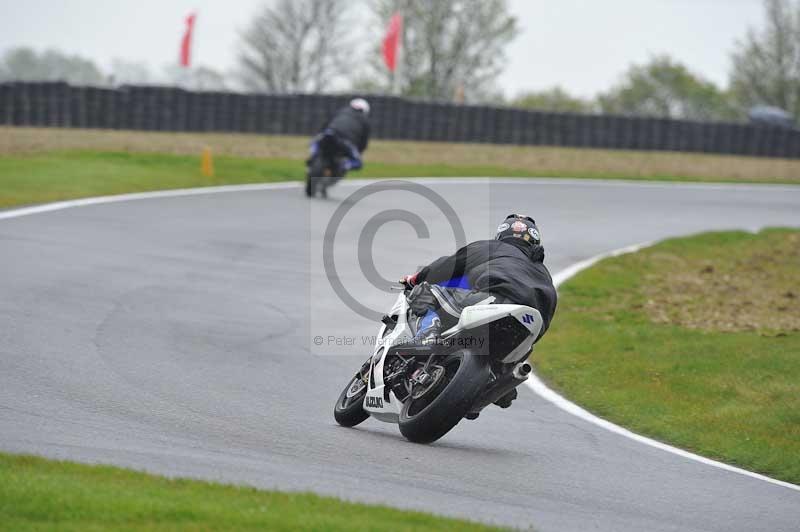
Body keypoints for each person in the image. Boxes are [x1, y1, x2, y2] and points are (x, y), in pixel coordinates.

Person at [399, 214, 558, 409]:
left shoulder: (492, 247)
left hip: (494, 300)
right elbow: (544, 322)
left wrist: (415, 279)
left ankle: (427, 333)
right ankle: (497, 383)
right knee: (514, 355)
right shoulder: (544, 275)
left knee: (428, 290)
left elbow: (446, 267)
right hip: (524, 328)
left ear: (501, 235)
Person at [308, 98, 371, 178]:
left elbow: (325, 124)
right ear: (365, 110)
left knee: (314, 143)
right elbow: (363, 142)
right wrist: (359, 151)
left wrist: (320, 134)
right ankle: (344, 165)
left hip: (329, 134)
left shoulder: (340, 111)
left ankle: (312, 161)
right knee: (358, 163)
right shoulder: (365, 121)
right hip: (346, 141)